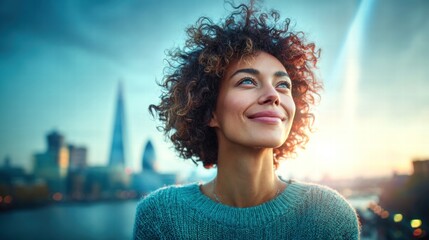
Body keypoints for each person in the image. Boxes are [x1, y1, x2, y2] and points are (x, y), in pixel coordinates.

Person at [134, 2, 360, 239]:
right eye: (247, 81)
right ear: (209, 110)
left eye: (283, 85)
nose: (273, 95)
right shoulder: (161, 215)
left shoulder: (329, 216)